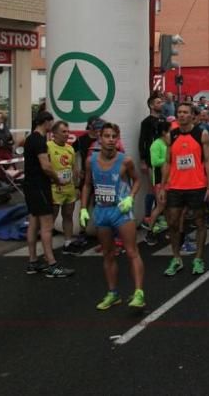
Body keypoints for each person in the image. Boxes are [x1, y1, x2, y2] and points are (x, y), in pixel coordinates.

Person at [81, 122, 145, 310]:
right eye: (106, 136)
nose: (110, 140)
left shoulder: (125, 161)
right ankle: (113, 294)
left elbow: (137, 180)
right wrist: (84, 208)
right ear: (100, 138)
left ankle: (139, 293)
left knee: (132, 252)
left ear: (118, 139)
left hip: (121, 211)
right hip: (102, 211)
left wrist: (131, 198)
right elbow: (86, 184)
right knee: (108, 254)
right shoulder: (90, 160)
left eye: (113, 137)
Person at [159, 102, 209, 276]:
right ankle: (176, 258)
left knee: (199, 222)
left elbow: (208, 161)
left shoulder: (202, 134)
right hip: (176, 186)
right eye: (179, 112)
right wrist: (162, 186)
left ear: (192, 115)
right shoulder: (171, 135)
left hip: (197, 185)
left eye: (185, 112)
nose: (182, 115)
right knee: (173, 223)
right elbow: (167, 162)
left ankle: (198, 258)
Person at [23, 111, 74, 278]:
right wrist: (57, 179)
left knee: (33, 223)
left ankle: (33, 261)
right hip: (39, 186)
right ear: (45, 122)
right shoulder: (39, 140)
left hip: (31, 186)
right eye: (51, 124)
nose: (51, 127)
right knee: (47, 226)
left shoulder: (31, 138)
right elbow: (45, 165)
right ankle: (51, 263)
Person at [44, 121, 81, 255]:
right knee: (51, 218)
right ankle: (47, 249)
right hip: (54, 189)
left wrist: (76, 186)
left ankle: (68, 243)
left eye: (67, 131)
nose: (67, 134)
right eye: (63, 132)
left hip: (69, 188)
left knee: (68, 215)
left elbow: (74, 168)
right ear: (54, 133)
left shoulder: (69, 148)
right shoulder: (48, 146)